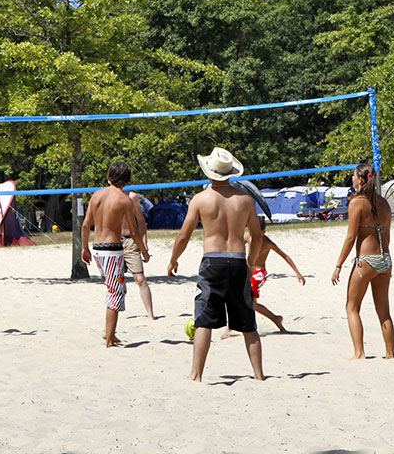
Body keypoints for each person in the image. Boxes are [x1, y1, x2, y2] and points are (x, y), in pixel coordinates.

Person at [168, 147, 264, 382]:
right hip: (239, 260)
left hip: (213, 261)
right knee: (248, 322)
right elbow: (257, 235)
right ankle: (259, 375)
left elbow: (183, 235)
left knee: (204, 320)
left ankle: (196, 374)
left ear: (210, 172)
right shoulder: (245, 200)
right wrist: (251, 261)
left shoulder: (201, 199)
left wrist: (173, 259)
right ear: (230, 173)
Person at [81, 162, 151, 347]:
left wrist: (84, 248)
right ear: (127, 180)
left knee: (117, 288)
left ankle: (110, 332)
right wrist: (144, 251)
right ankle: (109, 339)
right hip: (112, 250)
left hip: (97, 249)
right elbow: (135, 231)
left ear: (109, 176)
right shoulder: (123, 200)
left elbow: (86, 224)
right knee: (115, 292)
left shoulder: (96, 195)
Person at [332, 163, 394, 360]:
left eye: (353, 176)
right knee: (384, 310)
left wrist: (338, 265)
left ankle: (359, 353)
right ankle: (390, 354)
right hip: (385, 259)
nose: (351, 179)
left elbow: (351, 238)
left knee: (352, 307)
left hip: (366, 261)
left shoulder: (356, 203)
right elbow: (387, 235)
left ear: (360, 179)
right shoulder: (384, 203)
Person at [241, 215, 305, 334]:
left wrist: (297, 273)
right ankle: (276, 319)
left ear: (263, 232)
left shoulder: (267, 243)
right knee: (248, 302)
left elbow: (284, 255)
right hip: (248, 272)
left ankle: (275, 319)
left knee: (250, 302)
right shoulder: (249, 237)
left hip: (259, 273)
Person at [120, 189, 156, 320]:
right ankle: (116, 313)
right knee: (115, 282)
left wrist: (144, 243)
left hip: (131, 241)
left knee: (140, 279)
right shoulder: (108, 194)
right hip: (113, 242)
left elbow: (141, 222)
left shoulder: (132, 196)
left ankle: (150, 314)